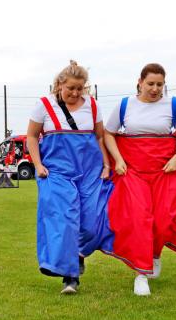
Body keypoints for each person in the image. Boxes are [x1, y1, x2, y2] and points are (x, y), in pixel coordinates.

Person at [103, 63, 176, 296]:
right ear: (140, 82)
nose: (155, 89)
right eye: (150, 84)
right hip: (132, 171)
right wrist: (118, 160)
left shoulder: (173, 105)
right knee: (139, 218)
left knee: (164, 220)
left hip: (165, 170)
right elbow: (108, 133)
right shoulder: (125, 105)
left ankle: (154, 255)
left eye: (160, 85)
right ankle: (141, 274)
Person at [27, 61, 112, 295]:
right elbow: (32, 137)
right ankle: (70, 276)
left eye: (79, 88)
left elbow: (99, 137)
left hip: (90, 171)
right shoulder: (43, 105)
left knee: (92, 222)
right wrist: (38, 164)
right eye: (70, 88)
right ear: (59, 85)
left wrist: (106, 164)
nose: (75, 93)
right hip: (57, 172)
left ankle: (79, 254)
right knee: (65, 221)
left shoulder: (92, 106)